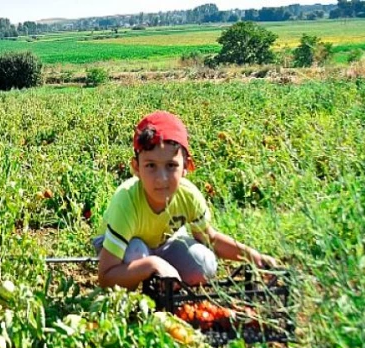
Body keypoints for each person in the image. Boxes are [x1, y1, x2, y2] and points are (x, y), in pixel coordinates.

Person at [94, 111, 277, 290]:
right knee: (136, 254)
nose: (161, 178)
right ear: (136, 168)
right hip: (122, 248)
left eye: (171, 166)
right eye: (151, 166)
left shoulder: (188, 195)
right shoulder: (127, 201)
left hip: (164, 242)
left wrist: (251, 256)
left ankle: (159, 279)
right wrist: (151, 265)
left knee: (204, 265)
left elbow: (211, 239)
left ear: (186, 167)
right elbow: (106, 276)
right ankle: (136, 300)